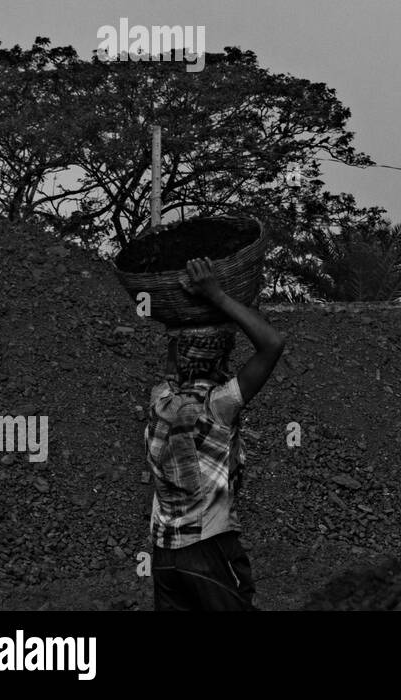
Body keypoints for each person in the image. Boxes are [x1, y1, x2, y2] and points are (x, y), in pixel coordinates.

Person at [145, 257, 286, 610]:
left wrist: (183, 307)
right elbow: (272, 344)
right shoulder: (218, 405)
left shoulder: (160, 399)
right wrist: (218, 296)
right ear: (221, 362)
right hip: (208, 550)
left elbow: (174, 357)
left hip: (165, 555)